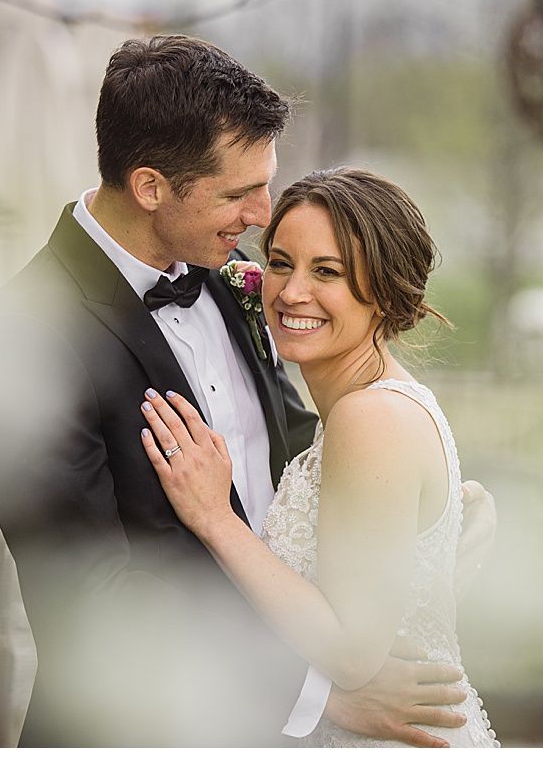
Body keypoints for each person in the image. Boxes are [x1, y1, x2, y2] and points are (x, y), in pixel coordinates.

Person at [0, 34, 487, 747]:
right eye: (238, 193)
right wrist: (319, 695)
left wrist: (418, 507)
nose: (261, 214)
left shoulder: (238, 272)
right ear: (150, 187)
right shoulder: (30, 338)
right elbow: (86, 600)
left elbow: (298, 453)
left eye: (264, 184)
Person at [139, 167, 500, 747]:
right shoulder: (366, 409)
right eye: (280, 263)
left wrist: (214, 517)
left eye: (326, 271)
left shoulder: (370, 417)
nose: (291, 292)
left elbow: (355, 656)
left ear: (384, 292)